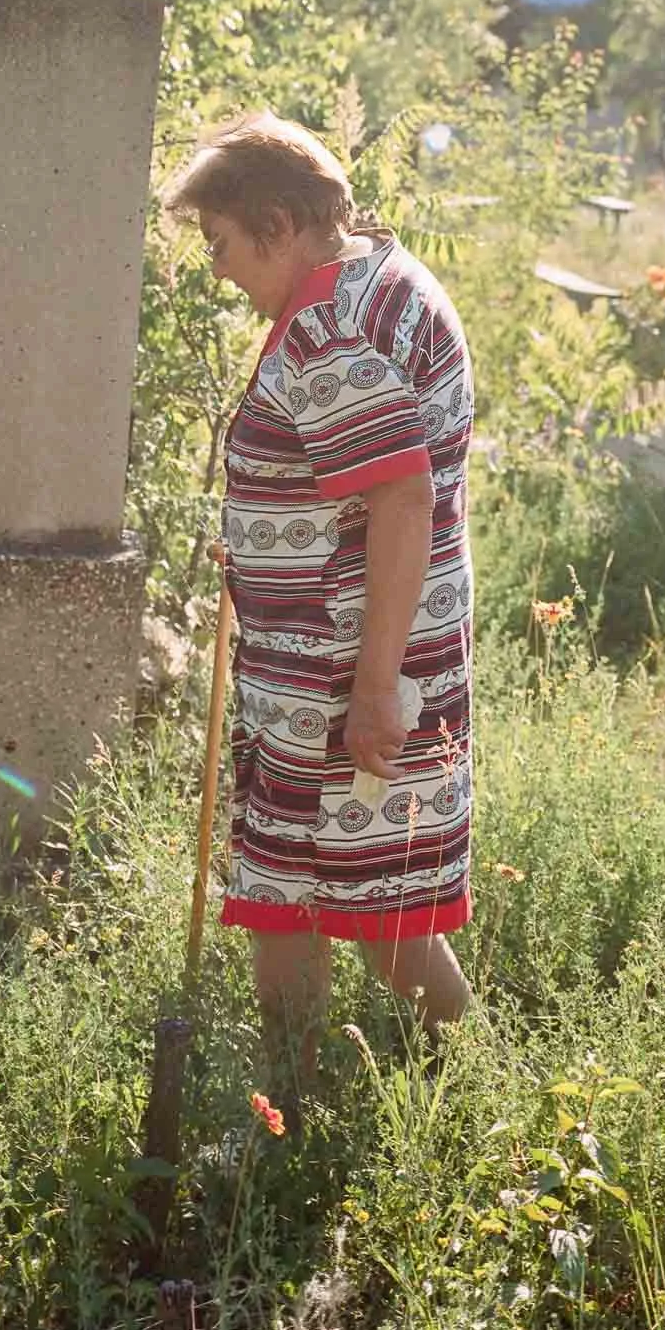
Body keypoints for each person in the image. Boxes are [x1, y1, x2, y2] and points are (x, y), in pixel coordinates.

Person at [162, 111, 475, 1108]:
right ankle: (291, 1105)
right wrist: (266, 533)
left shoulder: (329, 324)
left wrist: (376, 688)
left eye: (219, 243)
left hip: (345, 673)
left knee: (378, 910)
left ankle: (461, 1096)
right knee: (290, 899)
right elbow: (354, 479)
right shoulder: (384, 278)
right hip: (331, 661)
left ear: (279, 220)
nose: (216, 269)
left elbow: (398, 493)